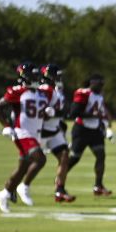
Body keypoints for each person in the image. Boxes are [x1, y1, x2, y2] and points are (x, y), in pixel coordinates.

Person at [0, 62, 49, 213]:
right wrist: (6, 125)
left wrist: (48, 113)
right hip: (22, 133)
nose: (37, 77)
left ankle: (4, 194)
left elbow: (36, 114)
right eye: (34, 75)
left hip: (34, 133)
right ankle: (24, 187)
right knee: (40, 159)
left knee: (22, 167)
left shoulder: (40, 93)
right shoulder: (18, 91)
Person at [23, 64, 75, 203]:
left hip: (54, 131)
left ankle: (60, 189)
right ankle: (19, 187)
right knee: (29, 163)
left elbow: (60, 110)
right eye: (57, 75)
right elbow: (42, 111)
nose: (59, 78)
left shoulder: (56, 90)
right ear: (49, 76)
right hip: (42, 132)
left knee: (64, 157)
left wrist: (60, 119)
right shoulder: (44, 90)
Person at [68, 73, 115, 196]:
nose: (101, 86)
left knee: (101, 155)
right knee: (74, 158)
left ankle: (98, 185)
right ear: (92, 83)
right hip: (81, 129)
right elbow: (74, 113)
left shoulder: (99, 96)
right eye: (100, 84)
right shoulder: (83, 93)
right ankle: (59, 181)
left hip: (94, 130)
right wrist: (92, 116)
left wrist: (104, 126)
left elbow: (101, 113)